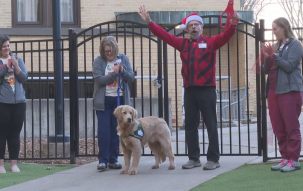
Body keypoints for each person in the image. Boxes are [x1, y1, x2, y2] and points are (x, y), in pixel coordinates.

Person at [138, 5, 240, 170]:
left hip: (207, 90)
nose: (194, 27)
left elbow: (226, 36)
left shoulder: (210, 42)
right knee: (191, 125)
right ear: (187, 29)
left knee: (211, 125)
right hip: (190, 90)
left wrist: (233, 24)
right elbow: (164, 35)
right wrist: (150, 22)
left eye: (196, 24)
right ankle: (194, 158)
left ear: (201, 27)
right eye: (191, 25)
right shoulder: (182, 44)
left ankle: (213, 159)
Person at [261, 17, 303, 172]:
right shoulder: (276, 46)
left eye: (275, 29)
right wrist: (267, 58)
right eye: (272, 29)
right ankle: (285, 158)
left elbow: (289, 66)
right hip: (275, 91)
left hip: (290, 91)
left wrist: (273, 56)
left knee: (291, 126)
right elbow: (266, 71)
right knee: (278, 127)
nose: (273, 32)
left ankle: (294, 160)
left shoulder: (295, 45)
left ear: (284, 28)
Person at [93, 36, 135, 171]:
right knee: (104, 130)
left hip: (120, 102)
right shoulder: (99, 61)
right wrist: (114, 74)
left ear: (116, 49)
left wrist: (122, 71)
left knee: (116, 131)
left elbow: (131, 78)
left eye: (111, 51)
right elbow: (99, 80)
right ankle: (103, 161)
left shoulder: (123, 59)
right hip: (104, 101)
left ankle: (113, 159)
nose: (109, 54)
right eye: (106, 51)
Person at [0, 35, 28, 173]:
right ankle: (0, 166)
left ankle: (13, 164)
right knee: (1, 133)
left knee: (14, 133)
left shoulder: (18, 59)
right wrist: (6, 67)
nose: (7, 48)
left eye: (8, 45)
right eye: (4, 46)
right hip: (3, 103)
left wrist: (16, 66)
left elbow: (24, 78)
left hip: (19, 103)